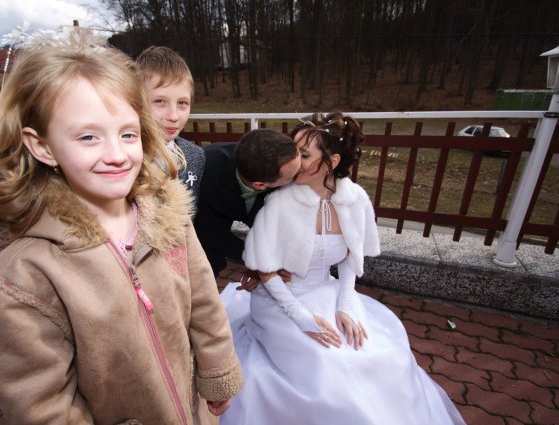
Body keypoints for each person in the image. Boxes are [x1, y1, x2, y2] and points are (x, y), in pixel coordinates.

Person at [0, 28, 242, 425]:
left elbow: (204, 303)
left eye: (128, 134)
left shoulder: (169, 220)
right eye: (88, 136)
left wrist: (217, 372)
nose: (117, 154)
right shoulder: (23, 278)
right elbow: (41, 405)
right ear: (43, 146)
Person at [219, 112, 467, 425]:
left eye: (304, 154)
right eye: (294, 151)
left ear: (332, 161)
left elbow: (351, 257)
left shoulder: (355, 200)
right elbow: (266, 271)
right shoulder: (278, 202)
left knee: (376, 354)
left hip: (328, 290)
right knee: (323, 363)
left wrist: (346, 304)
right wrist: (302, 318)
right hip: (280, 300)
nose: (294, 161)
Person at [194, 128, 300, 278]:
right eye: (291, 177)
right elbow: (209, 230)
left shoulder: (274, 166)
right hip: (199, 227)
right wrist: (257, 261)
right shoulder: (205, 170)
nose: (299, 175)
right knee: (206, 267)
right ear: (260, 185)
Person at [137, 45, 205, 204]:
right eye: (160, 101)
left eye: (182, 103)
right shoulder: (125, 158)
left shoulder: (195, 156)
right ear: (138, 101)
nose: (174, 116)